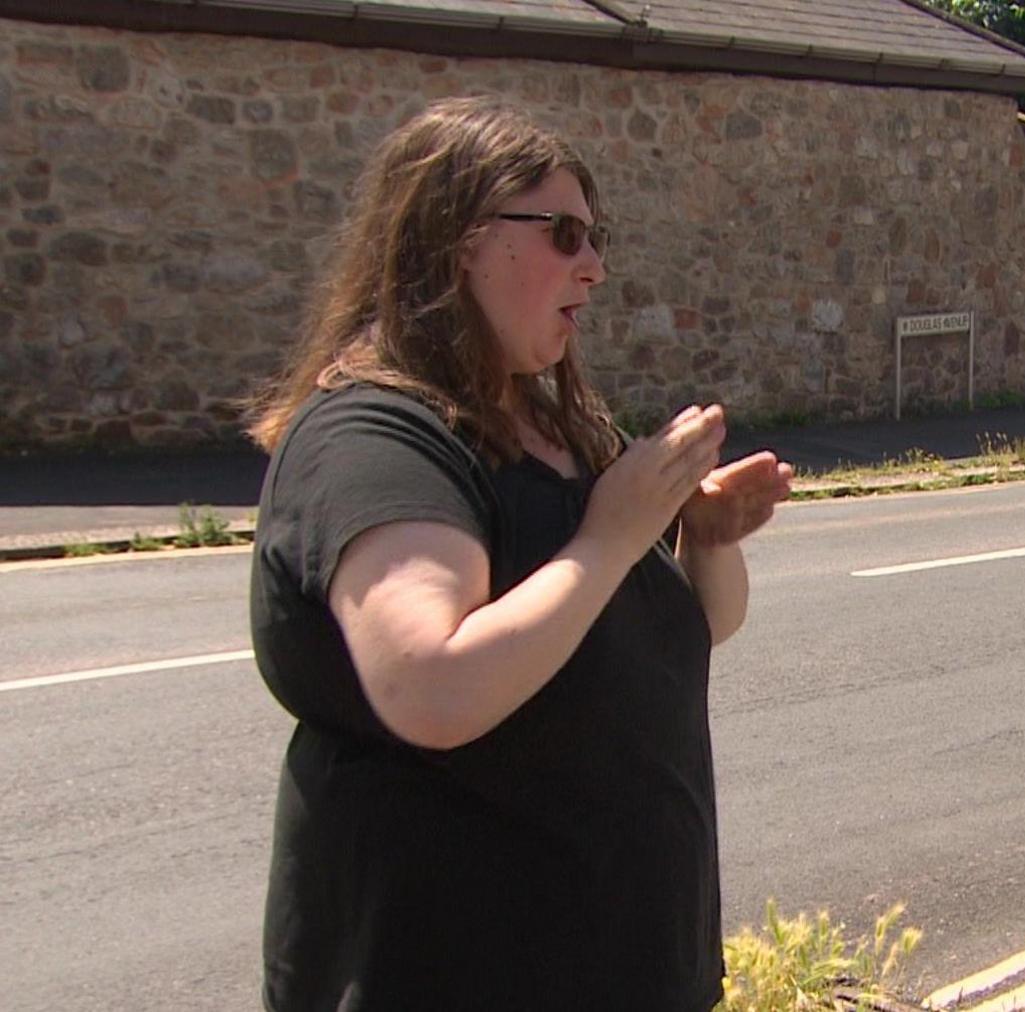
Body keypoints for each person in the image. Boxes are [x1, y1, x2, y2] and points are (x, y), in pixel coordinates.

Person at [244, 96, 791, 1011]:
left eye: (596, 234)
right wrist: (609, 538)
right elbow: (433, 685)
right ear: (459, 240)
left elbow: (693, 630)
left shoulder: (552, 420)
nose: (596, 265)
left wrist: (705, 541)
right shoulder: (376, 438)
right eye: (565, 233)